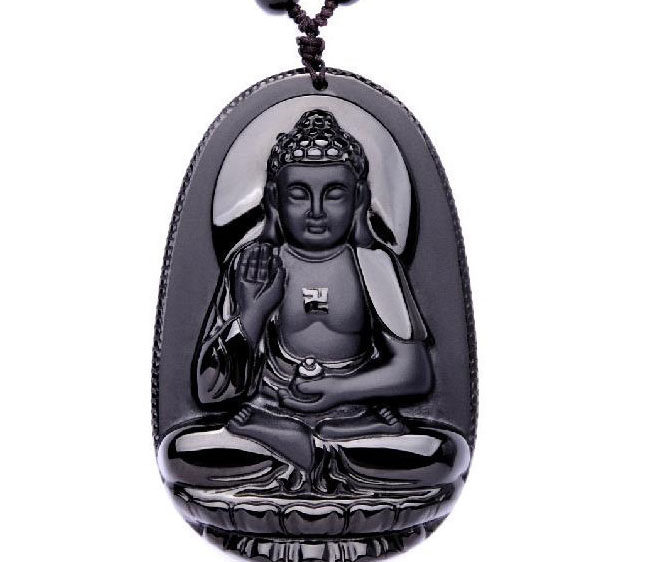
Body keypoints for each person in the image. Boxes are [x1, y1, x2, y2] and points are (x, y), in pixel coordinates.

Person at [158, 110, 468, 495]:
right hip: (268, 420)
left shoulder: (375, 264)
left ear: (359, 198)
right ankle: (318, 465)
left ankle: (308, 460)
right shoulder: (253, 264)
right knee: (181, 452)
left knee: (441, 455)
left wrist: (339, 389)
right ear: (274, 198)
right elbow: (209, 392)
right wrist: (254, 312)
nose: (316, 211)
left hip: (356, 425)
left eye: (333, 194)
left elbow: (415, 372)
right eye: (299, 194)